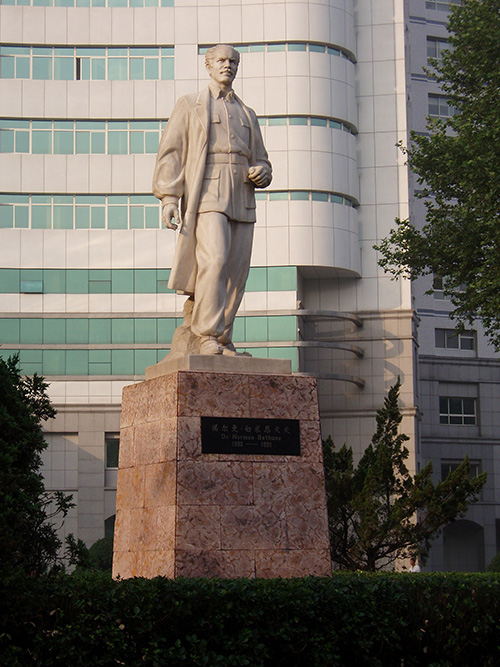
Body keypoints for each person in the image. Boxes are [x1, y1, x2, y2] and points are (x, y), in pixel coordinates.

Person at [152, 44, 272, 355]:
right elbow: (172, 152)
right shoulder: (191, 105)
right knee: (214, 261)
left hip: (242, 194)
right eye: (221, 60)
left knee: (235, 271)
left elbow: (262, 159)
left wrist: (262, 171)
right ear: (208, 66)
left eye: (233, 61)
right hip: (207, 191)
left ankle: (222, 337)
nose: (228, 65)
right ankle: (206, 334)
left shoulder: (248, 114)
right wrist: (168, 197)